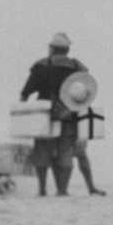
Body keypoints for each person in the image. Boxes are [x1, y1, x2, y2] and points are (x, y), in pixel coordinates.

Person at [19, 32, 86, 197]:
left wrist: (22, 109)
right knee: (65, 152)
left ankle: (42, 189)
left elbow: (27, 91)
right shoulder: (78, 67)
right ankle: (62, 190)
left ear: (53, 49)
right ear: (67, 50)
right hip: (69, 114)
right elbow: (86, 93)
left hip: (45, 114)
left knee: (42, 150)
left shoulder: (42, 65)